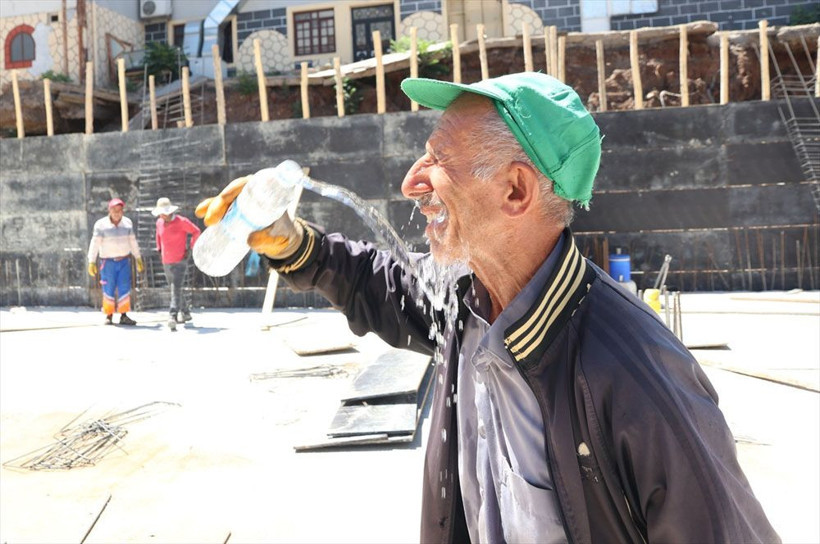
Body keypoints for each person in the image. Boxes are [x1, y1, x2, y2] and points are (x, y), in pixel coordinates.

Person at [196, 73, 779, 543]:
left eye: (438, 159)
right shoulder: (464, 304)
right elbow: (381, 284)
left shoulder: (637, 374)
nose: (411, 183)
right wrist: (292, 243)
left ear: (515, 191)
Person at [87, 198, 143, 326]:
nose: (117, 213)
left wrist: (138, 257)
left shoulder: (127, 223)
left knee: (124, 287)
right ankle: (109, 315)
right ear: (109, 210)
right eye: (114, 210)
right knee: (108, 288)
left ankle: (124, 315)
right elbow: (95, 243)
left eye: (119, 210)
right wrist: (91, 261)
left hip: (124, 261)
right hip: (108, 263)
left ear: (123, 211)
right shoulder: (100, 225)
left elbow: (133, 242)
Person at [152, 197, 201, 330]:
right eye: (161, 213)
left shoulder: (181, 221)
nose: (163, 215)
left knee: (176, 287)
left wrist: (190, 248)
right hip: (166, 260)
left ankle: (172, 315)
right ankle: (185, 312)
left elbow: (196, 231)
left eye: (164, 212)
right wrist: (159, 249)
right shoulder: (159, 222)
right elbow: (158, 236)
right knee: (175, 288)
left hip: (180, 260)